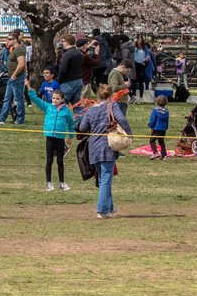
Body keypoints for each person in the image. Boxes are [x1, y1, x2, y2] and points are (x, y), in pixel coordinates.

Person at [76, 87, 131, 218]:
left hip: (93, 147)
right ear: (110, 95)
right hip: (107, 146)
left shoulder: (91, 109)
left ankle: (110, 208)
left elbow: (83, 127)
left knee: (103, 179)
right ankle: (102, 210)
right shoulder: (112, 105)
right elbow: (122, 119)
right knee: (105, 179)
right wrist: (129, 134)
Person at [25, 83, 76, 191]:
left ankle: (62, 183)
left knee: (60, 161)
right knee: (49, 160)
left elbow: (71, 124)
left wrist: (71, 137)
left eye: (57, 99)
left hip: (60, 139)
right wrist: (29, 88)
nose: (55, 100)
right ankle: (48, 183)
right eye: (53, 98)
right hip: (50, 138)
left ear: (62, 99)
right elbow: (36, 99)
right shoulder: (48, 107)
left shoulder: (66, 111)